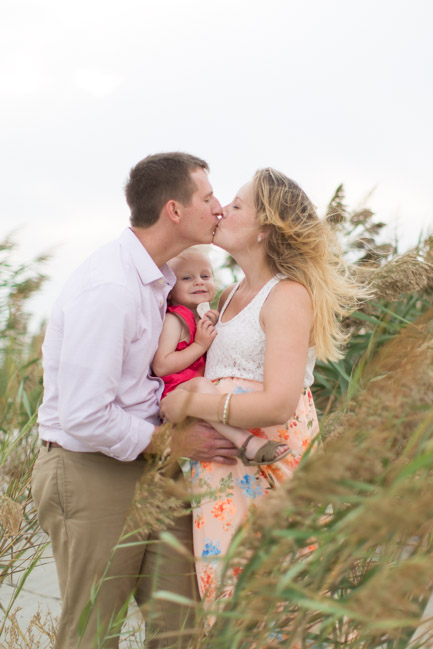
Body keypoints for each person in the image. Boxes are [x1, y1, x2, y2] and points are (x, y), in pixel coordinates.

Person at [31, 152, 239, 649]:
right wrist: (173, 441)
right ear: (174, 209)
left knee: (182, 630)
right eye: (208, 198)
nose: (219, 207)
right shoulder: (111, 288)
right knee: (93, 635)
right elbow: (84, 416)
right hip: (92, 470)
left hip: (155, 463)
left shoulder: (163, 281)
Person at [160, 167, 360, 604]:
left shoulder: (287, 294)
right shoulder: (226, 296)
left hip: (271, 467)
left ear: (264, 230)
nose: (221, 210)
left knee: (280, 606)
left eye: (235, 205)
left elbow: (278, 404)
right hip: (221, 475)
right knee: (230, 608)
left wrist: (192, 405)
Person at [153, 246, 290, 464]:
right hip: (176, 393)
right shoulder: (174, 320)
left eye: (205, 275)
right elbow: (161, 365)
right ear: (170, 288)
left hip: (199, 398)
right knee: (200, 385)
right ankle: (246, 441)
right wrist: (199, 345)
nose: (198, 281)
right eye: (187, 278)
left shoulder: (202, 317)